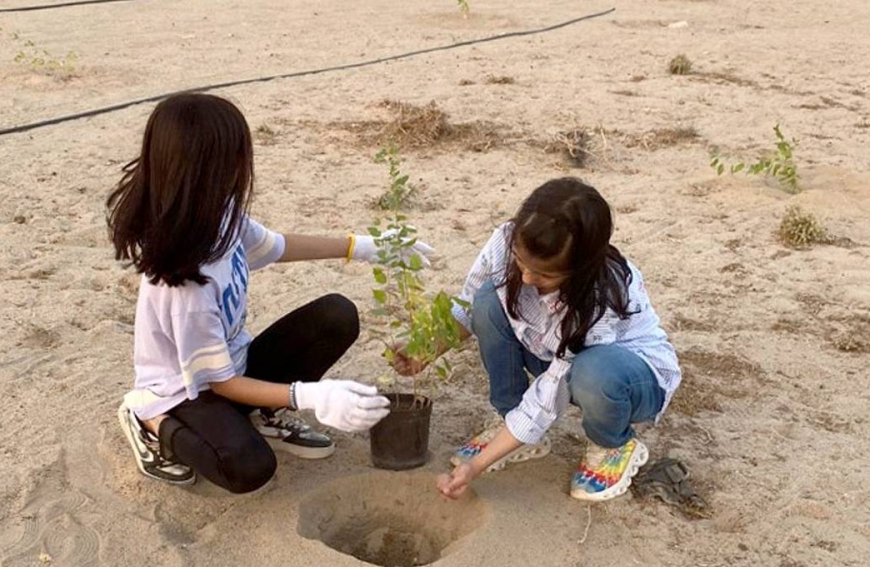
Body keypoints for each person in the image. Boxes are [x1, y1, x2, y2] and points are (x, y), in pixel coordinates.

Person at [107, 93, 432, 492]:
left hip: (235, 366)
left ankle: (260, 412)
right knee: (248, 467)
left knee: (337, 314)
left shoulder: (219, 216)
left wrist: (361, 246)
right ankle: (146, 419)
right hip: (186, 395)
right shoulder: (185, 286)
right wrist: (308, 396)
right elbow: (222, 384)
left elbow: (276, 246)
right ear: (212, 168)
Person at [392, 178, 681, 502]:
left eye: (544, 274)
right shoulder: (507, 240)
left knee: (593, 371)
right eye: (520, 261)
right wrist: (425, 350)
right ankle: (510, 421)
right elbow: (469, 306)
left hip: (627, 378)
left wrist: (476, 466)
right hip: (550, 349)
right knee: (487, 301)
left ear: (580, 268)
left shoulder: (599, 299)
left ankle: (612, 443)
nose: (527, 278)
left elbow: (549, 394)